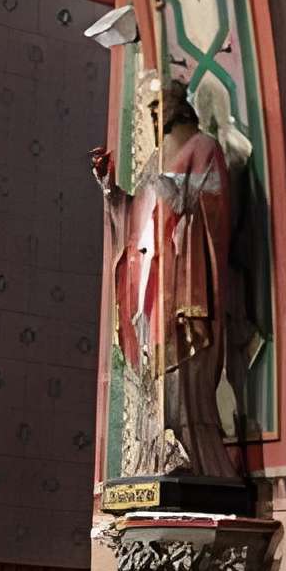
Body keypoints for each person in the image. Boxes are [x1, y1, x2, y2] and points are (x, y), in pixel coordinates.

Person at [91, 73, 244, 479]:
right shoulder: (155, 158)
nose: (154, 114)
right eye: (151, 108)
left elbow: (211, 212)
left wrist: (172, 193)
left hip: (182, 282)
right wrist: (111, 192)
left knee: (181, 384)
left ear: (180, 106)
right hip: (149, 285)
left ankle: (192, 459)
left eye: (160, 106)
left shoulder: (204, 147)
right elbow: (137, 216)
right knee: (151, 382)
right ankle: (157, 454)